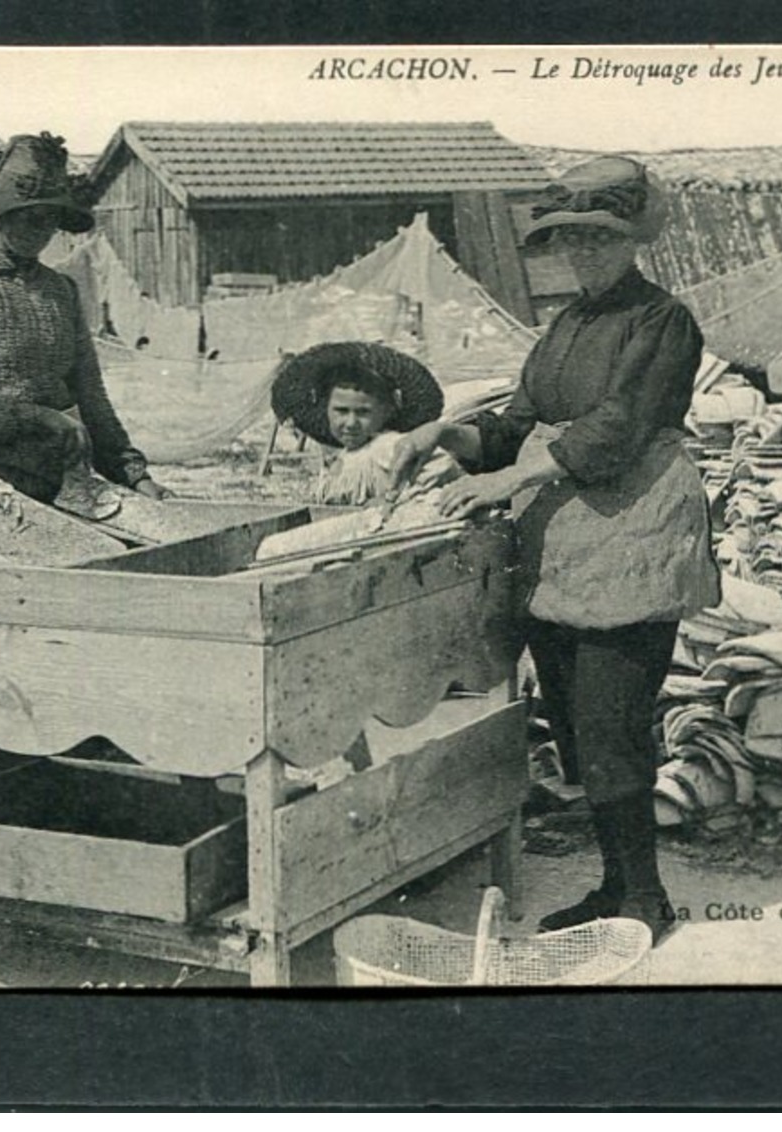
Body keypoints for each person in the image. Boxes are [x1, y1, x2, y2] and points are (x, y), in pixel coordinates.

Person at [388, 155, 721, 944]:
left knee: (613, 723)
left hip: (634, 531)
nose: (585, 254)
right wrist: (445, 433)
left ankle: (645, 898)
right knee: (576, 723)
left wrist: (507, 483)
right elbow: (516, 423)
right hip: (565, 542)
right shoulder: (564, 327)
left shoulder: (662, 321)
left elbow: (615, 430)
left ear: (632, 241)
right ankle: (614, 885)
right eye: (572, 240)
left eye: (601, 240)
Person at [0, 132, 167, 505]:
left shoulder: (61, 291)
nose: (40, 230)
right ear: (1, 217)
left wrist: (135, 476)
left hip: (59, 478)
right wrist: (36, 418)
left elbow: (91, 396)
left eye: (50, 219)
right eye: (29, 218)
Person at [269, 341, 457, 506]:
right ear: (325, 409)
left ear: (387, 411)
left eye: (363, 412)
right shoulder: (344, 455)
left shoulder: (387, 445)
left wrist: (394, 500)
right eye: (341, 411)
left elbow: (442, 465)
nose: (351, 423)